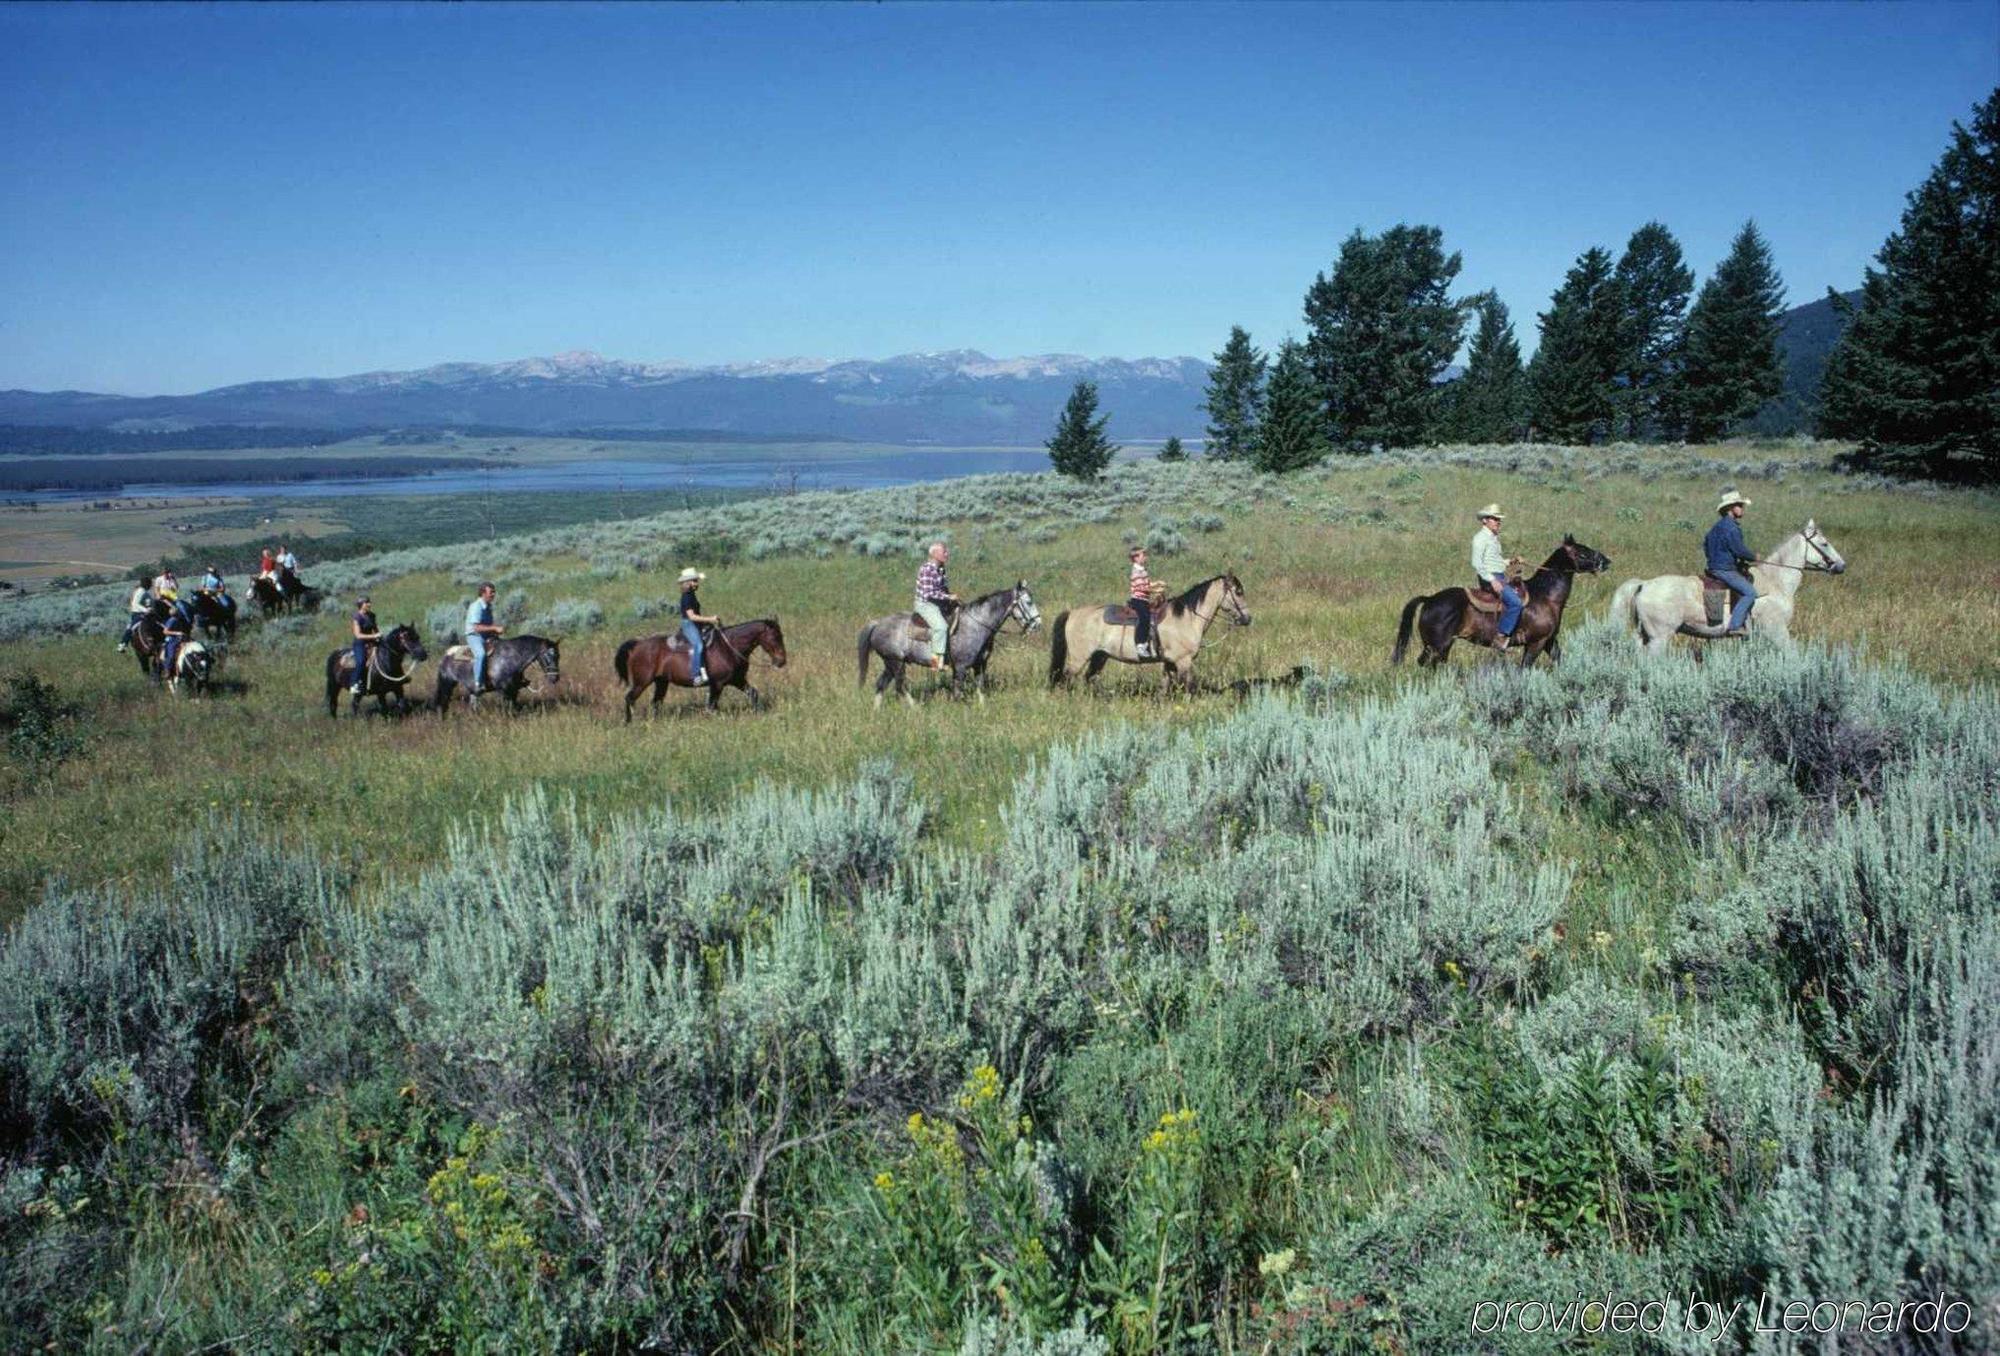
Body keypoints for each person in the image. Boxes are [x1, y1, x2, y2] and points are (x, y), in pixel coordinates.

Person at [1704, 488, 1758, 636]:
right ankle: (1735, 625)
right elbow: (1739, 550)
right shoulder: (1731, 528)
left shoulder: (1716, 527)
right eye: (1739, 505)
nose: (1742, 508)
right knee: (1750, 593)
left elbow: (1706, 546)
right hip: (1725, 569)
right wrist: (1754, 557)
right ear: (1729, 509)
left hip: (1713, 567)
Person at [1470, 504, 1523, 651]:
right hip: (1490, 578)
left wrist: (1511, 561)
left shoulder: (1493, 538)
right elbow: (1477, 563)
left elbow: (1495, 562)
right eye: (1494, 518)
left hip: (1498, 575)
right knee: (1515, 603)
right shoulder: (1480, 538)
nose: (1498, 521)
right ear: (1484, 520)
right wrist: (1492, 580)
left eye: (1499, 519)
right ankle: (1500, 637)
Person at [914, 541, 959, 672]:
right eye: (944, 551)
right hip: (926, 604)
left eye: (946, 551)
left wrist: (950, 596)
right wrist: (948, 597)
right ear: (934, 554)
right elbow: (929, 593)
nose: (947, 553)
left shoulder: (941, 568)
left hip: (938, 603)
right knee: (941, 627)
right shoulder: (927, 569)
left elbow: (942, 588)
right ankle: (935, 663)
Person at [677, 567, 719, 686]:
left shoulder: (691, 594)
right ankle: (696, 675)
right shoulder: (687, 596)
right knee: (699, 645)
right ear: (689, 582)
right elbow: (692, 616)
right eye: (695, 581)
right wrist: (710, 619)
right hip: (689, 624)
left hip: (696, 624)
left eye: (697, 580)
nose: (697, 583)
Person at [465, 582, 503, 693]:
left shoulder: (488, 607)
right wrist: (494, 628)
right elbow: (476, 627)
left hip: (487, 636)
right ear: (483, 593)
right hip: (475, 636)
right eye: (491, 592)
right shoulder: (476, 606)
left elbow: (487, 626)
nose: (493, 594)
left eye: (494, 592)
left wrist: (494, 632)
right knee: (480, 655)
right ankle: (477, 683)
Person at [1129, 546, 1159, 659]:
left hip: (1144, 599)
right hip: (1138, 600)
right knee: (1144, 619)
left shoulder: (1143, 570)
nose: (1145, 557)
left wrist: (1157, 584)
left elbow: (1147, 584)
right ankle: (1140, 645)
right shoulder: (1136, 572)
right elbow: (1142, 588)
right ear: (1136, 558)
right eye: (1143, 555)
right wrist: (1156, 590)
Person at [350, 594, 380, 695]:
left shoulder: (372, 615)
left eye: (369, 602)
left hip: (372, 642)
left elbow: (375, 629)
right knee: (361, 662)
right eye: (367, 602)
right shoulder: (357, 617)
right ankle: (354, 684)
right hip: (360, 644)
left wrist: (378, 636)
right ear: (361, 604)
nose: (369, 604)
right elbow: (358, 635)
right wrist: (374, 636)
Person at [160, 591, 194, 678]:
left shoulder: (179, 620)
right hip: (172, 639)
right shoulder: (172, 620)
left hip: (181, 638)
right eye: (178, 613)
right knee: (171, 655)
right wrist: (177, 633)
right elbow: (165, 631)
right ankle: (167, 670)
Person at [118, 571, 152, 652]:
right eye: (150, 584)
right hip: (139, 614)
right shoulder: (140, 592)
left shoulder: (144, 592)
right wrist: (146, 610)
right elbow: (135, 604)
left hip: (146, 613)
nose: (151, 586)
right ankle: (122, 644)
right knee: (131, 627)